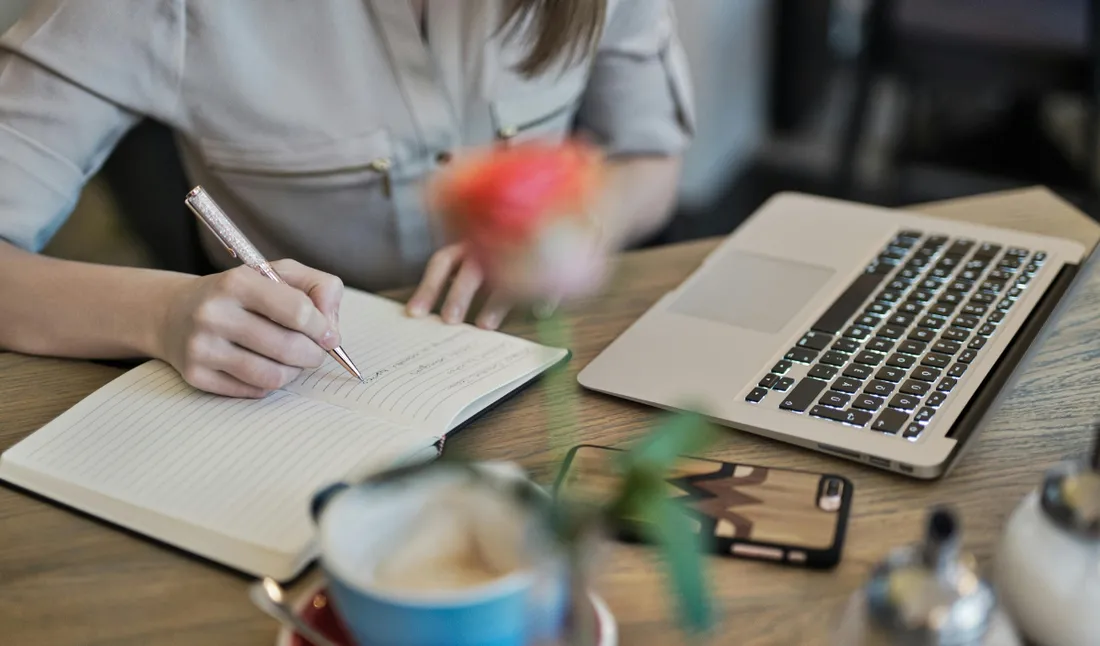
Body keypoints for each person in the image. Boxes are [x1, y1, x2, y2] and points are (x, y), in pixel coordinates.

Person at [0, 0, 695, 398]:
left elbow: (651, 158)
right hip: (296, 394)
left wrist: (581, 226)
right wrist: (163, 312)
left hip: (551, 368)